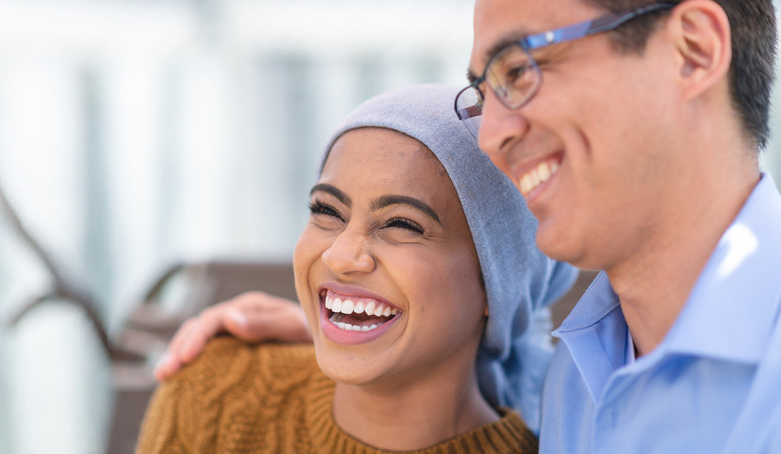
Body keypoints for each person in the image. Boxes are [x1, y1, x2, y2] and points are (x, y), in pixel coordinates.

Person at [158, 1, 781, 452]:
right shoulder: (579, 381)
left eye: (521, 68)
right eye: (485, 90)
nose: (491, 136)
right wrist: (351, 336)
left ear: (691, 51)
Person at [137, 85, 577, 453]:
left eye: (403, 224)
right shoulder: (216, 391)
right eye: (326, 210)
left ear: (497, 283)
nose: (341, 256)